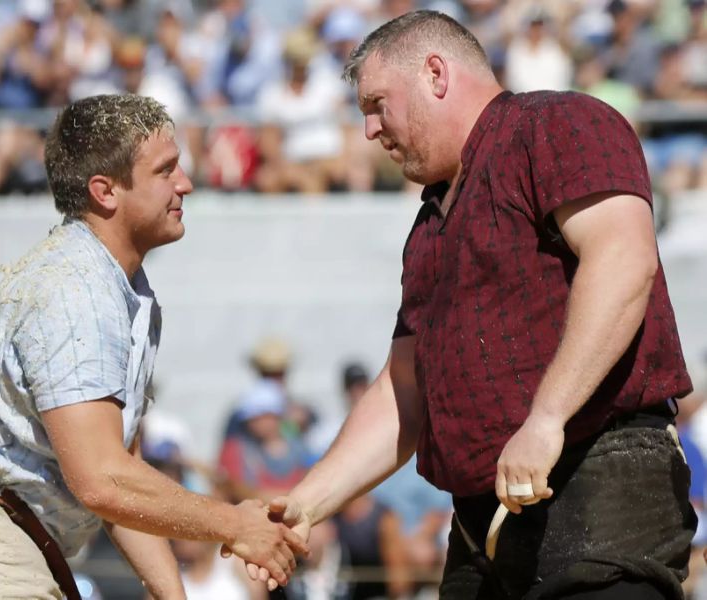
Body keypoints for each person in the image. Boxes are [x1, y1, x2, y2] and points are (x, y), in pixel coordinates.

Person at [245, 10, 695, 600]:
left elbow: (623, 259)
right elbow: (404, 388)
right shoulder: (430, 222)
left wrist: (547, 417)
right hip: (482, 532)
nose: (370, 131)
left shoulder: (556, 122)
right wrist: (305, 504)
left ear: (435, 73)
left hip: (600, 488)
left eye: (378, 104)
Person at [0, 94, 307, 600]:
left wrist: (172, 595)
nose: (186, 183)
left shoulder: (115, 286)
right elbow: (101, 480)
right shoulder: (76, 290)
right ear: (105, 191)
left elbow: (123, 478)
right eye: (166, 170)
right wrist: (234, 524)